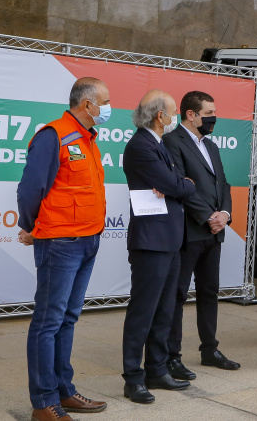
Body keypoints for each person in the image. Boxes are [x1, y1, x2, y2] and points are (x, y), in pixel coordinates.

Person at [17, 77, 111, 421]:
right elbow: (30, 189)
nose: (108, 109)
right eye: (105, 102)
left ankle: (64, 391)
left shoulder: (88, 139)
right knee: (48, 321)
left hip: (88, 239)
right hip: (60, 242)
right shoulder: (53, 135)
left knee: (67, 318)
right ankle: (43, 403)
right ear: (87, 105)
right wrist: (31, 227)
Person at [121, 90, 196, 404]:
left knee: (165, 310)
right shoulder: (140, 145)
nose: (174, 116)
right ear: (158, 115)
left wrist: (180, 184)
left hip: (170, 240)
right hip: (151, 242)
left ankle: (157, 368)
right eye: (172, 111)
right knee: (143, 312)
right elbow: (178, 184)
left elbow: (178, 181)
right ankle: (133, 378)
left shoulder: (159, 143)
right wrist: (182, 185)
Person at [163, 91, 241, 381]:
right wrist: (208, 217)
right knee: (178, 295)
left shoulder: (211, 146)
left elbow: (223, 184)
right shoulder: (173, 141)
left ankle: (210, 349)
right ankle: (172, 357)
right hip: (188, 231)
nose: (213, 118)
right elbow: (180, 185)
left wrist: (225, 214)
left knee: (209, 292)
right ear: (191, 115)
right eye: (208, 112)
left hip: (214, 233)